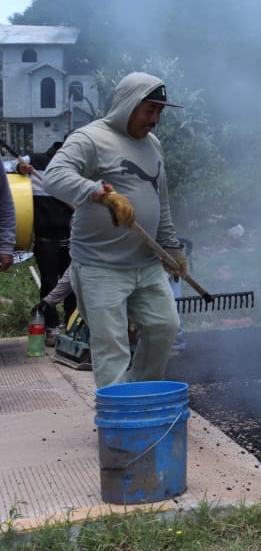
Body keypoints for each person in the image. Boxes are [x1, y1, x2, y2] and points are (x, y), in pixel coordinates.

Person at [43, 72, 187, 389]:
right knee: (112, 349)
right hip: (99, 266)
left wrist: (171, 247)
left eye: (160, 111)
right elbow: (53, 176)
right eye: (149, 110)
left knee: (164, 327)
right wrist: (98, 193)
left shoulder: (153, 144)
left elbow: (159, 201)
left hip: (146, 264)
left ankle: (139, 399)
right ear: (128, 105)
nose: (155, 119)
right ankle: (117, 426)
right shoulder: (91, 138)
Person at [19, 140, 75, 335]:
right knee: (50, 284)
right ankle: (51, 327)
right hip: (46, 241)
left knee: (74, 286)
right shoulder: (37, 161)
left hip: (72, 241)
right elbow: (7, 165)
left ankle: (71, 328)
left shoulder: (75, 168)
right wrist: (20, 167)